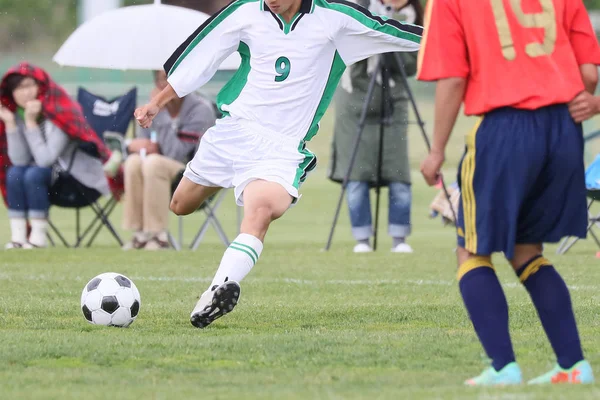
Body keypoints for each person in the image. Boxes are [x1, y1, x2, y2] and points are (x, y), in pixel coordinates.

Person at [135, 0, 422, 328]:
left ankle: (216, 291)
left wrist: (459, 41)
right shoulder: (246, 12)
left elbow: (396, 33)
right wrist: (156, 103)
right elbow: (203, 54)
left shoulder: (335, 20)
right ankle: (235, 178)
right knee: (180, 205)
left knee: (259, 213)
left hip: (280, 148)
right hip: (234, 132)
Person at [418, 0, 600, 386]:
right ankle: (573, 366)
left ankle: (503, 368)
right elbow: (588, 73)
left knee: (471, 248)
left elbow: (451, 77)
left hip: (505, 126)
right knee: (526, 250)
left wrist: (436, 149)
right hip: (563, 128)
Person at [329, 0, 422, 253]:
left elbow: (413, 64)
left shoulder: (414, 15)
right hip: (355, 98)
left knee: (398, 171)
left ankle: (399, 238)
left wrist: (392, 38)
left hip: (393, 98)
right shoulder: (360, 7)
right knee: (357, 173)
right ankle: (362, 239)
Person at [0, 63, 114, 249]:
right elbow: (19, 160)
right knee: (14, 173)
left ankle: (37, 238)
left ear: (40, 86)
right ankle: (19, 238)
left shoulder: (59, 111)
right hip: (46, 181)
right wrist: (11, 124)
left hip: (77, 183)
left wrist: (30, 123)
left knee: (33, 174)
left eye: (29, 85)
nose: (25, 93)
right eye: (18, 88)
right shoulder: (18, 115)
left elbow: (46, 159)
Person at [122, 70, 216, 250]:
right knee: (134, 162)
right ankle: (140, 233)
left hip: (191, 174)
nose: (165, 85)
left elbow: (176, 154)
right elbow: (147, 145)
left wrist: (161, 112)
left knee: (153, 163)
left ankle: (158, 235)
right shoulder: (152, 109)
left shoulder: (200, 109)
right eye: (162, 80)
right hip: (156, 169)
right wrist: (139, 145)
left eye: (171, 79)